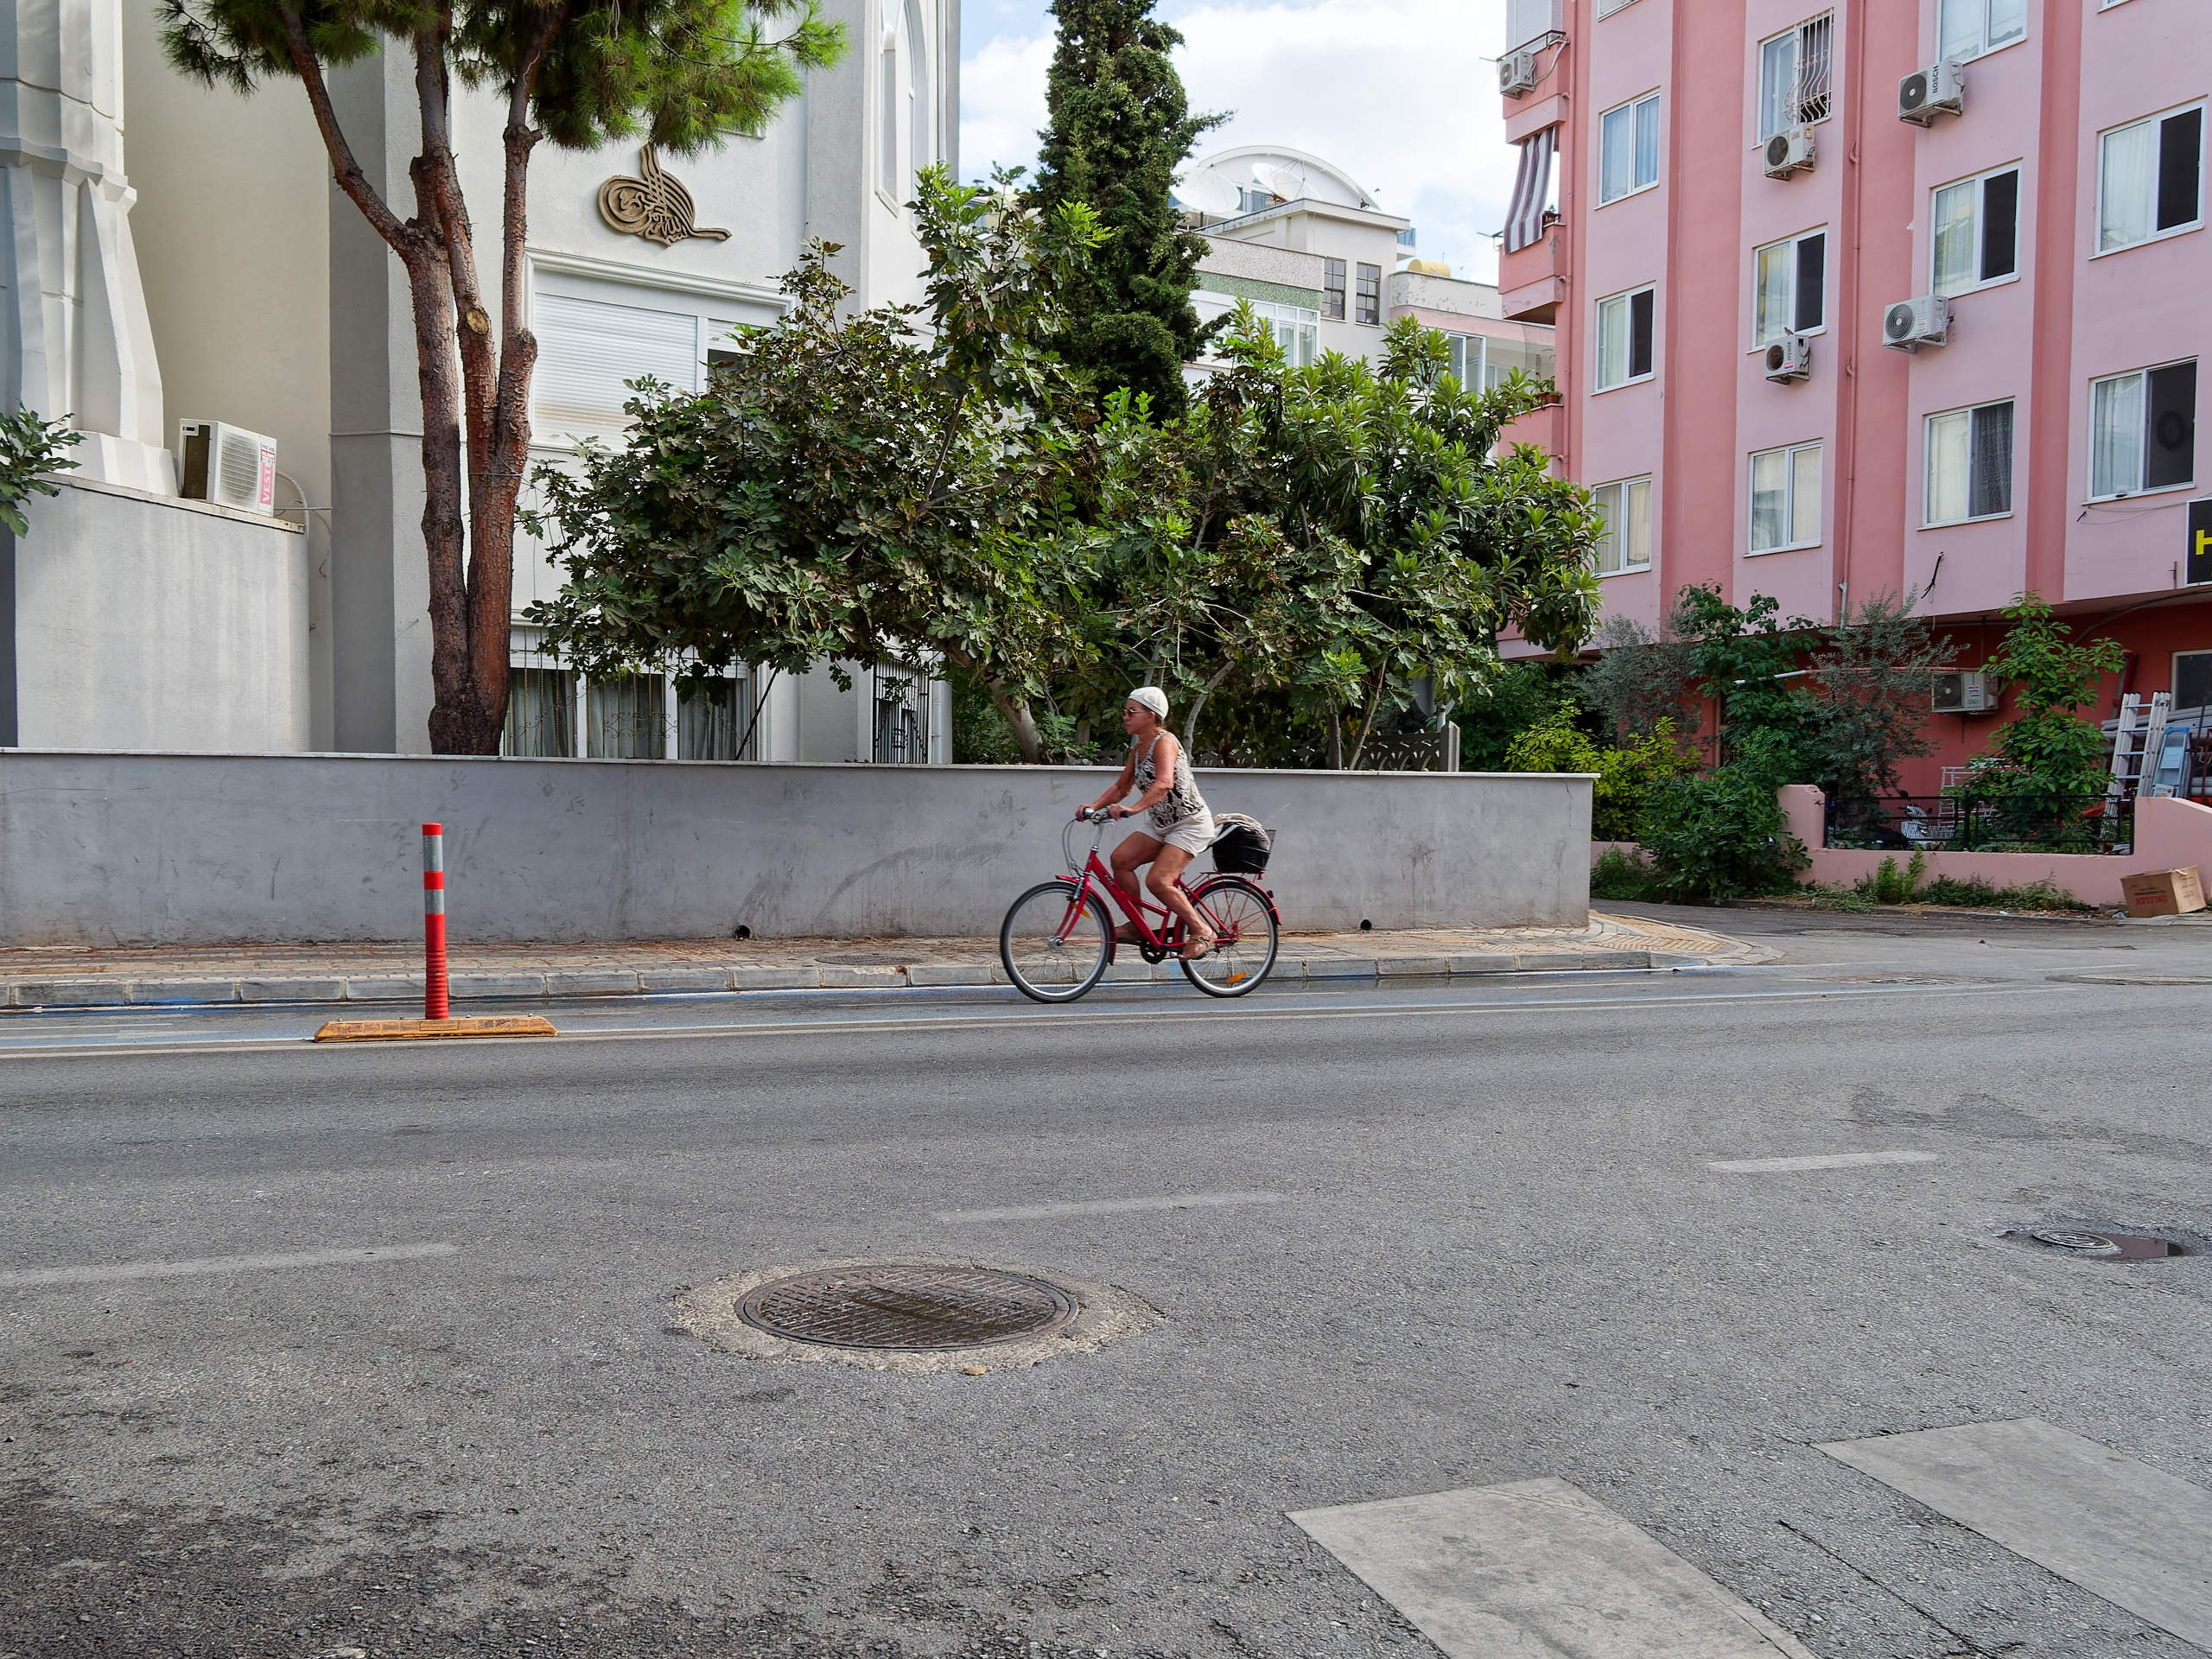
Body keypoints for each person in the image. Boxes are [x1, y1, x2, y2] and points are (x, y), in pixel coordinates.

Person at [1080, 687, 1218, 960]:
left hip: (1189, 823)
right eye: (1125, 711)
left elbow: (1164, 783)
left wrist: (1133, 809)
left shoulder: (1165, 741)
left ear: (1151, 715)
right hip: (1162, 823)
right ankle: (1137, 925)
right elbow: (1121, 787)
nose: (1125, 716)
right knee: (1121, 860)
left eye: (1131, 711)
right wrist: (1093, 807)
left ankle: (1202, 930)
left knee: (1158, 880)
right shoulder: (1138, 750)